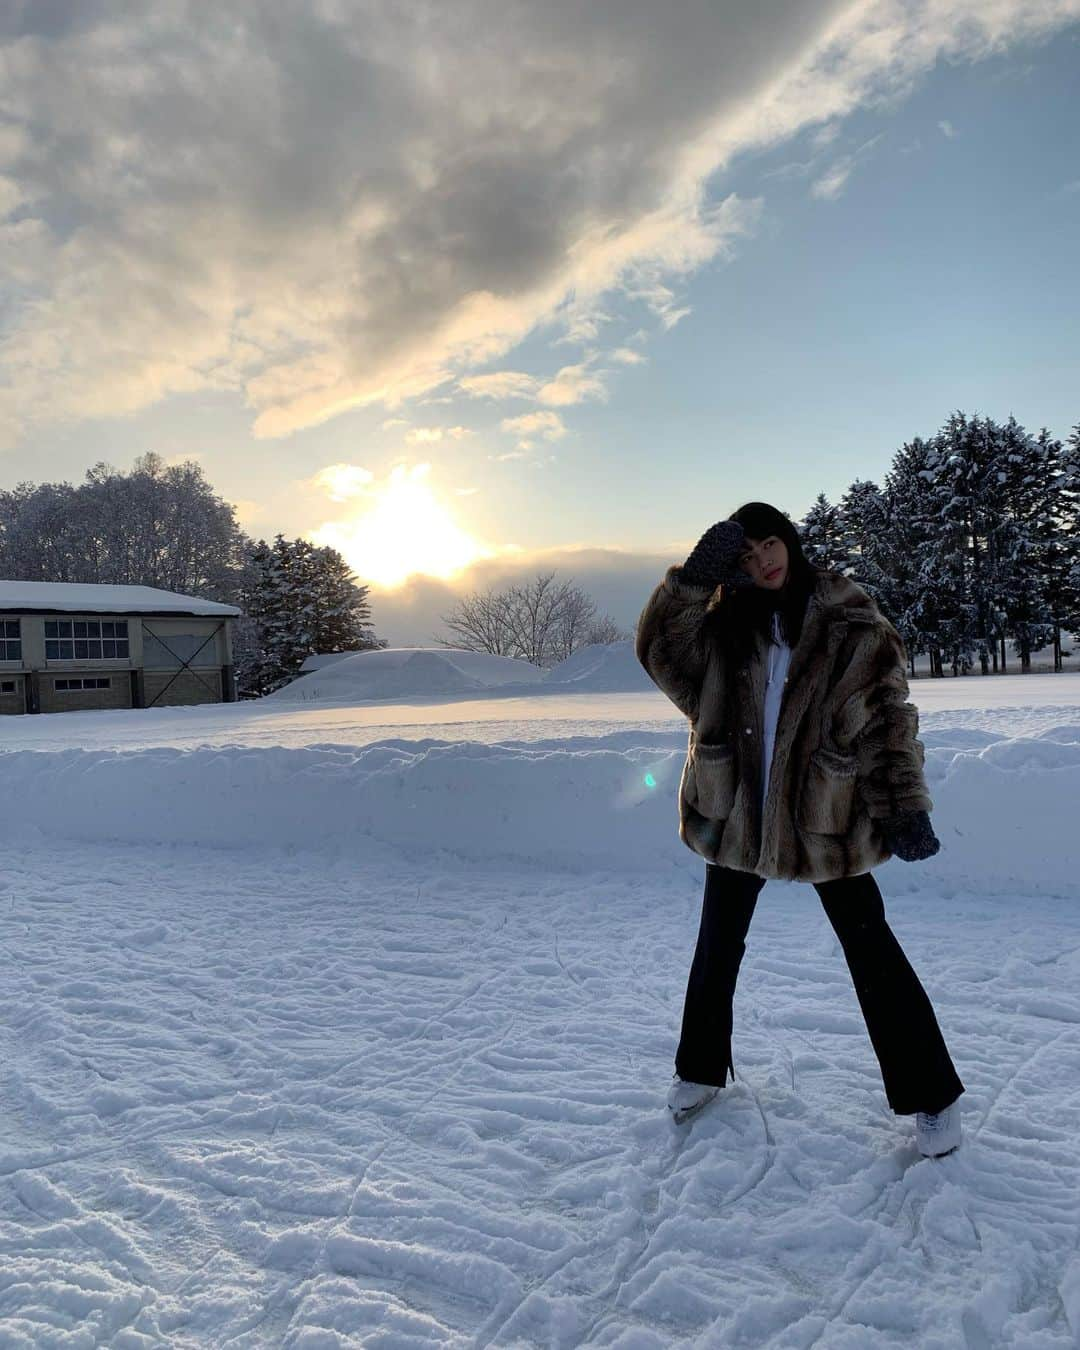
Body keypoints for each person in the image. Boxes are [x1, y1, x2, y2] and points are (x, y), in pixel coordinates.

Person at [635, 501, 964, 1157]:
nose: (764, 561)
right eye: (747, 556)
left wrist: (902, 802)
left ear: (791, 539)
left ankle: (933, 1096)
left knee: (872, 952)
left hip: (825, 815)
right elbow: (659, 651)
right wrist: (691, 585)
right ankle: (700, 1069)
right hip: (735, 811)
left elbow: (889, 717)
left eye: (770, 544)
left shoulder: (851, 619)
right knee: (716, 947)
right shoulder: (721, 629)